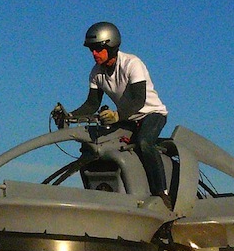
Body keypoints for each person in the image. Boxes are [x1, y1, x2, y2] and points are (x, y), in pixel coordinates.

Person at [70, 22, 172, 209]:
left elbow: (139, 100)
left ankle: (161, 193)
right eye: (92, 50)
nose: (94, 54)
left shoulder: (132, 64)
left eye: (98, 49)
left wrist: (117, 115)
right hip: (127, 119)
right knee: (97, 143)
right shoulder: (96, 73)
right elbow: (91, 105)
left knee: (144, 142)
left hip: (151, 114)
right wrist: (69, 116)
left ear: (111, 47)